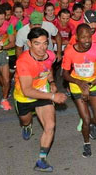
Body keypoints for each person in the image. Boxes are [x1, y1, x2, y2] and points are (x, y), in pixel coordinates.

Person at [13, 27, 67, 172]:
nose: (42, 47)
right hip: (24, 97)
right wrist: (53, 96)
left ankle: (41, 160)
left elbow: (48, 69)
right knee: (26, 120)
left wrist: (52, 83)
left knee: (50, 126)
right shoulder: (23, 61)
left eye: (44, 43)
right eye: (37, 43)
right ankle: (27, 126)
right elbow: (27, 90)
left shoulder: (50, 54)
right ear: (29, 44)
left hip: (43, 92)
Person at [62, 24, 96, 157]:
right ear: (76, 38)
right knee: (86, 119)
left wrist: (88, 84)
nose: (87, 40)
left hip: (94, 83)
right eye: (83, 37)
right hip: (77, 86)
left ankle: (90, 124)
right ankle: (86, 143)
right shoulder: (70, 51)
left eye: (89, 36)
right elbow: (65, 74)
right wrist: (79, 83)